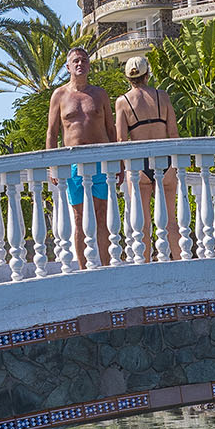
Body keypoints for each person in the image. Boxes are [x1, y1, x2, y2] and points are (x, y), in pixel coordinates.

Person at [45, 46, 115, 268]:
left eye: (83, 60)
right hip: (74, 163)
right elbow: (52, 132)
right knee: (78, 217)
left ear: (89, 65)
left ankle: (105, 267)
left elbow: (111, 129)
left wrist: (118, 162)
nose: (79, 64)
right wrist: (52, 164)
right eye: (75, 60)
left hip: (100, 162)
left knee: (101, 214)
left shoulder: (100, 94)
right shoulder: (60, 95)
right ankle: (84, 268)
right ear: (67, 66)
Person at [115, 52, 182, 262]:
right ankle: (181, 263)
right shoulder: (163, 97)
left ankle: (145, 266)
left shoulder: (123, 102)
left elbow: (121, 140)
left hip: (139, 165)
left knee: (142, 223)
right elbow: (173, 134)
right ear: (147, 74)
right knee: (172, 220)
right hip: (166, 161)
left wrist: (124, 169)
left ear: (128, 78)